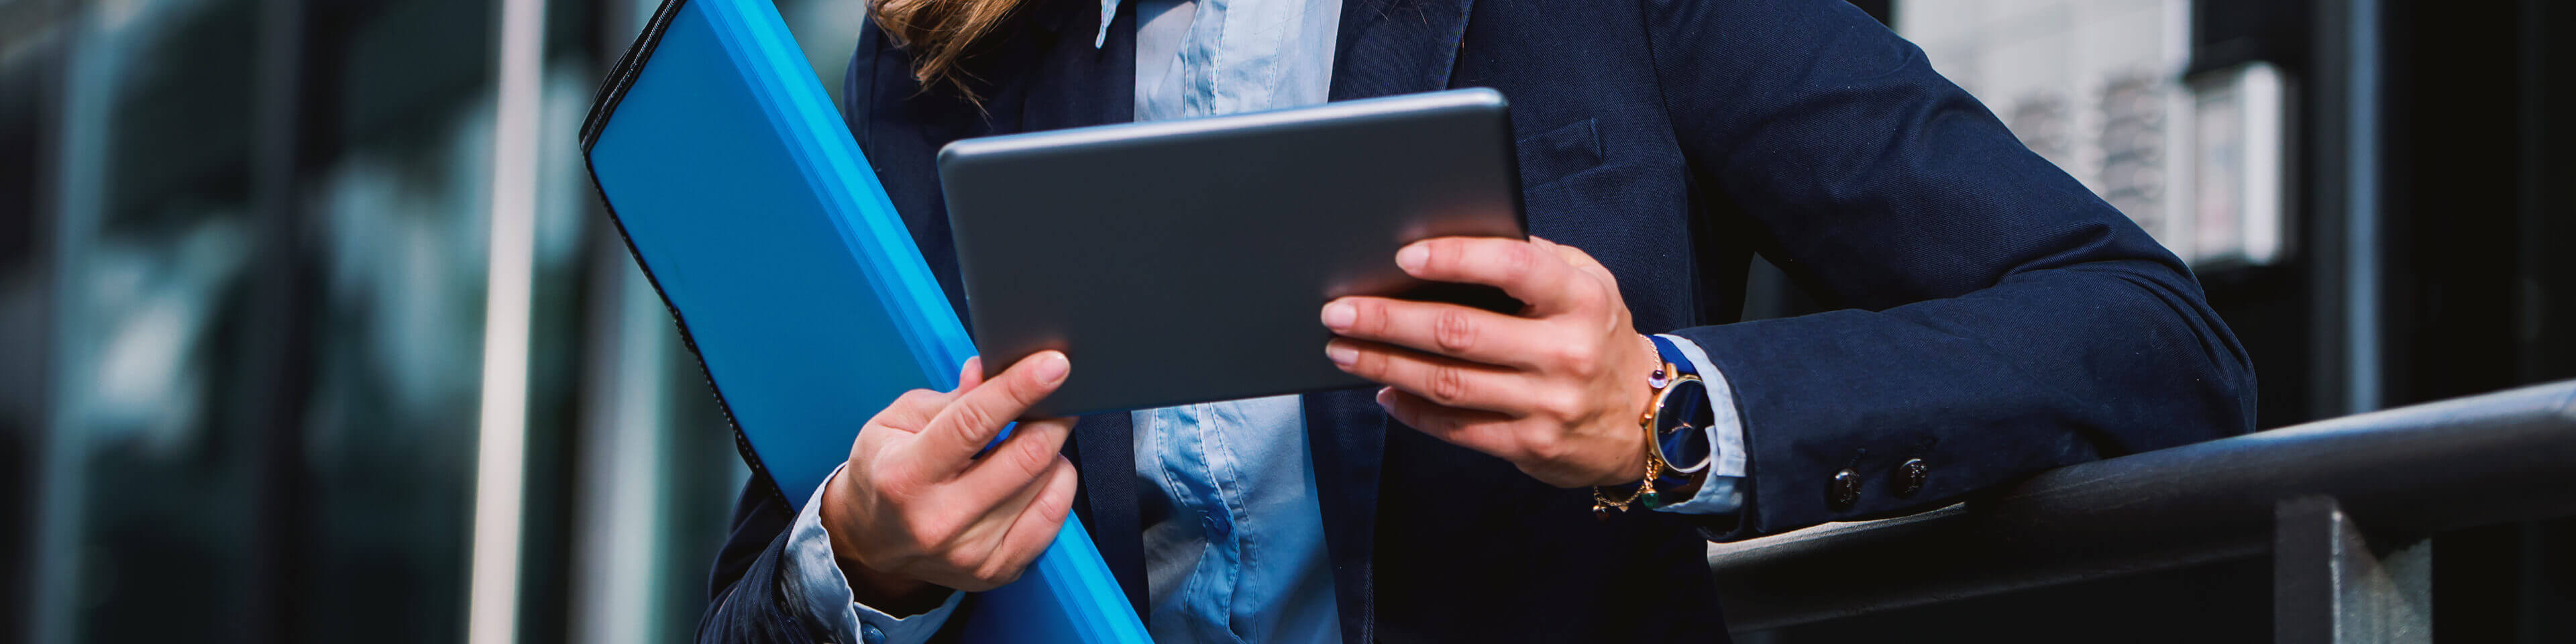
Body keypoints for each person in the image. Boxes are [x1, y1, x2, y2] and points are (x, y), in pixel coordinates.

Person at [696, 0, 2259, 641]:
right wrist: (864, 559)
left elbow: (2142, 337)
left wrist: (1668, 412)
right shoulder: (941, 55)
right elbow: (762, 589)